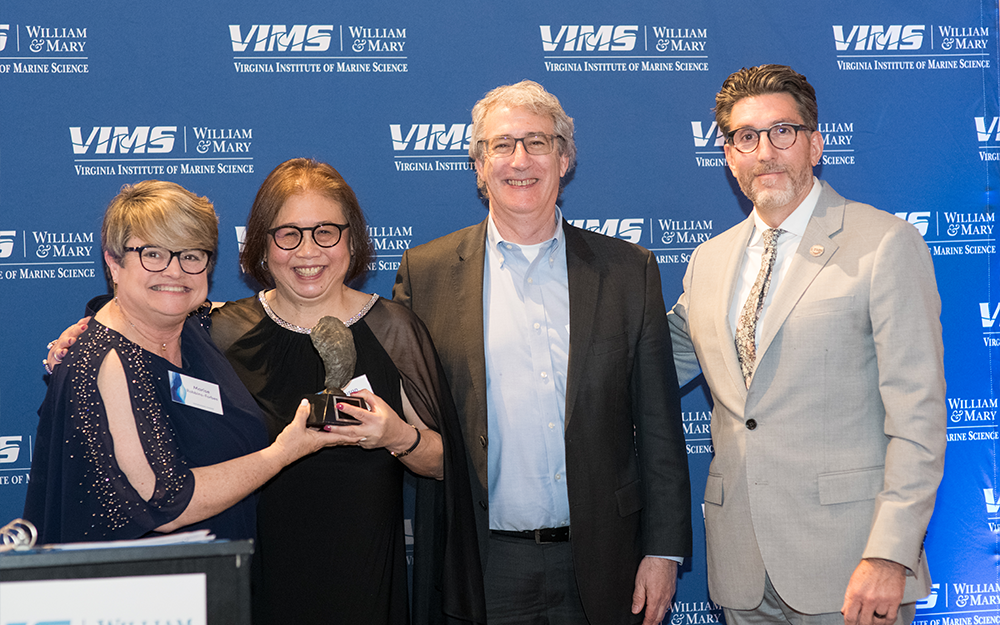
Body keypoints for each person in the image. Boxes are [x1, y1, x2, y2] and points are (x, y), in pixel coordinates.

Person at [45, 160, 485, 625]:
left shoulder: (394, 329)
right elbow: (146, 317)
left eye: (326, 232)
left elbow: (445, 465)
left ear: (351, 239)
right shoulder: (219, 330)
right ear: (263, 244)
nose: (308, 251)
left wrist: (396, 436)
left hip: (363, 580)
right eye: (287, 233)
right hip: (250, 583)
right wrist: (87, 328)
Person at [392, 80, 692, 625]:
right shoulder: (426, 275)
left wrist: (663, 551)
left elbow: (659, 429)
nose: (520, 160)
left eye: (537, 142)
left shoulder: (629, 273)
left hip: (605, 563)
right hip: (481, 564)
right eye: (501, 145)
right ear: (479, 166)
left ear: (565, 157)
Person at [667, 64, 946, 625]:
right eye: (746, 136)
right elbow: (648, 365)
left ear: (815, 144)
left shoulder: (884, 243)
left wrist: (889, 553)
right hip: (742, 566)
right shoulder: (709, 260)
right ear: (729, 155)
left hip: (850, 567)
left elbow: (918, 419)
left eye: (782, 132)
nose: (765, 150)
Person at [24, 180, 342, 544]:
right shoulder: (108, 361)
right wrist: (284, 452)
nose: (175, 271)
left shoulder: (193, 327)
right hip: (143, 591)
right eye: (153, 254)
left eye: (191, 254)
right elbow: (166, 501)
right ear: (114, 262)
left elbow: (272, 312)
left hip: (217, 579)